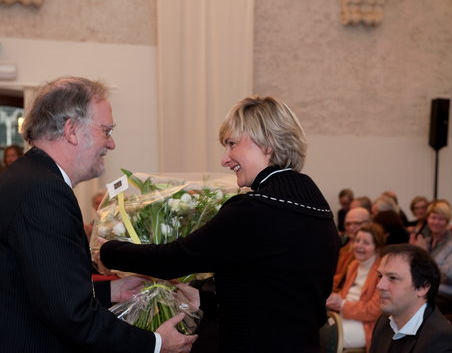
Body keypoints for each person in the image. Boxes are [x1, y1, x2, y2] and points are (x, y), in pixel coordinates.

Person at [99, 96, 340, 353]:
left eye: (232, 144)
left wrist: (109, 251)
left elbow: (173, 259)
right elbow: (276, 299)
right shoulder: (319, 209)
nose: (225, 159)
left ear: (268, 143)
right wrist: (203, 299)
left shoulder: (254, 210)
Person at [0, 76, 197, 353]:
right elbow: (71, 315)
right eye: (107, 130)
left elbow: (44, 288)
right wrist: (155, 342)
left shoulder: (29, 177)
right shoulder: (44, 191)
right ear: (71, 130)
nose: (112, 143)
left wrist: (111, 292)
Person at [370, 244, 452, 353]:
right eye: (380, 276)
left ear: (422, 287)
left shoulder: (443, 341)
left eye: (393, 278)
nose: (380, 285)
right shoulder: (384, 321)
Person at [326, 223, 385, 351]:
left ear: (377, 247)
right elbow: (344, 295)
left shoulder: (382, 272)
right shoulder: (354, 265)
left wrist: (341, 304)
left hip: (366, 325)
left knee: (327, 337)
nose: (359, 246)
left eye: (366, 243)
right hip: (344, 316)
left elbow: (374, 311)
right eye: (357, 241)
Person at [332, 207, 371, 292]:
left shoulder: (369, 252)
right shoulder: (343, 250)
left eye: (357, 223)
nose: (351, 227)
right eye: (348, 224)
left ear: (369, 223)